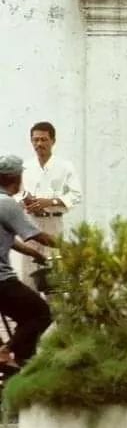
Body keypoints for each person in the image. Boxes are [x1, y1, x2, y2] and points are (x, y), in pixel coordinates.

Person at [0, 155, 55, 371]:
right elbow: (36, 234)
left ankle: (21, 364)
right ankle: (5, 352)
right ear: (16, 177)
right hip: (2, 280)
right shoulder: (7, 204)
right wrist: (70, 248)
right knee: (42, 313)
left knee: (26, 318)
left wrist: (33, 253)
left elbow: (9, 238)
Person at [16, 122, 81, 290]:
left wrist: (49, 202)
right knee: (29, 278)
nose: (39, 144)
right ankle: (31, 315)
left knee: (54, 277)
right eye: (35, 140)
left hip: (53, 225)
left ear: (53, 141)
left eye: (44, 139)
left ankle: (55, 315)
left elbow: (76, 195)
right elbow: (16, 194)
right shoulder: (25, 168)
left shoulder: (65, 167)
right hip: (30, 225)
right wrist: (25, 201)